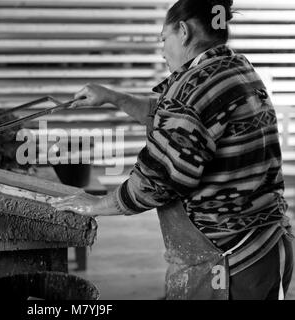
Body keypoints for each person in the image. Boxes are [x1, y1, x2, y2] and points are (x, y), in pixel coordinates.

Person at [51, 0, 294, 300]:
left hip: (227, 263)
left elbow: (157, 182)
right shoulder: (233, 68)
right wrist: (112, 97)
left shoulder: (191, 91)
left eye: (164, 39)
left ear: (183, 31)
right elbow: (177, 119)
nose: (162, 50)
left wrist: (94, 204)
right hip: (266, 246)